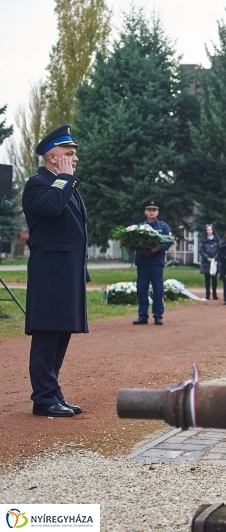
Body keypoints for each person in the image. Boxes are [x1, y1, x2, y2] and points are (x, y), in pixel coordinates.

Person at [22, 124, 87, 417]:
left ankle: (53, 393)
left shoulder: (66, 184)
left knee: (61, 334)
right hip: (50, 273)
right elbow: (51, 207)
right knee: (47, 335)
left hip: (67, 272)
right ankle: (44, 398)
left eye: (74, 154)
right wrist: (63, 179)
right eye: (68, 153)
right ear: (52, 156)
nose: (74, 158)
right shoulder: (38, 184)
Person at [132, 200, 172, 325]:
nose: (151, 212)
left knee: (158, 289)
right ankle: (142, 315)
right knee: (142, 289)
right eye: (149, 210)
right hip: (142, 262)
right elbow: (133, 240)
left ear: (157, 212)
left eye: (154, 210)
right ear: (145, 212)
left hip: (156, 262)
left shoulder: (163, 227)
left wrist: (158, 248)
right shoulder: (139, 227)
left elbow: (168, 242)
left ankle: (158, 315)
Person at [199, 224, 220, 300]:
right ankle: (207, 294)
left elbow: (219, 249)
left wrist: (215, 258)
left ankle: (214, 294)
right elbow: (201, 250)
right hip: (206, 262)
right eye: (208, 230)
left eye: (210, 230)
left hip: (215, 262)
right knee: (207, 279)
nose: (209, 231)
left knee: (214, 279)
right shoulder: (203, 240)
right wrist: (207, 257)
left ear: (213, 230)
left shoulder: (217, 240)